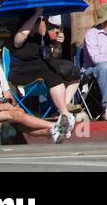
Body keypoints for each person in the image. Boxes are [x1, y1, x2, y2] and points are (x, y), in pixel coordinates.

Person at [0, 35, 68, 143]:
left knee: (19, 116)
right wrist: (0, 107)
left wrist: (13, 105)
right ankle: (55, 125)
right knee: (15, 115)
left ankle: (52, 132)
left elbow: (7, 92)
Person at [7, 7, 78, 136]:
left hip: (39, 71)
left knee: (72, 72)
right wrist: (37, 14)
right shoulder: (19, 36)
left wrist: (57, 44)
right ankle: (65, 114)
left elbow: (53, 55)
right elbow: (21, 37)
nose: (43, 23)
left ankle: (62, 110)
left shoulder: (40, 38)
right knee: (50, 73)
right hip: (21, 73)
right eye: (41, 21)